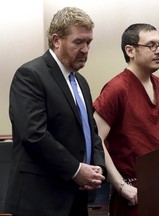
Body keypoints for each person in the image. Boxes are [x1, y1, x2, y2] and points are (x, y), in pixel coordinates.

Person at [5, 7, 106, 216]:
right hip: (41, 202)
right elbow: (33, 134)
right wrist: (76, 170)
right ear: (56, 40)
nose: (86, 49)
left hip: (76, 197)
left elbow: (92, 133)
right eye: (79, 42)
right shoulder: (30, 75)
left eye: (89, 42)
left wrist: (97, 167)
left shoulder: (81, 82)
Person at [93, 23, 159, 216]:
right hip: (134, 195)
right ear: (130, 50)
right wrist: (121, 185)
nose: (158, 51)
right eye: (151, 46)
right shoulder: (116, 89)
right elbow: (95, 139)